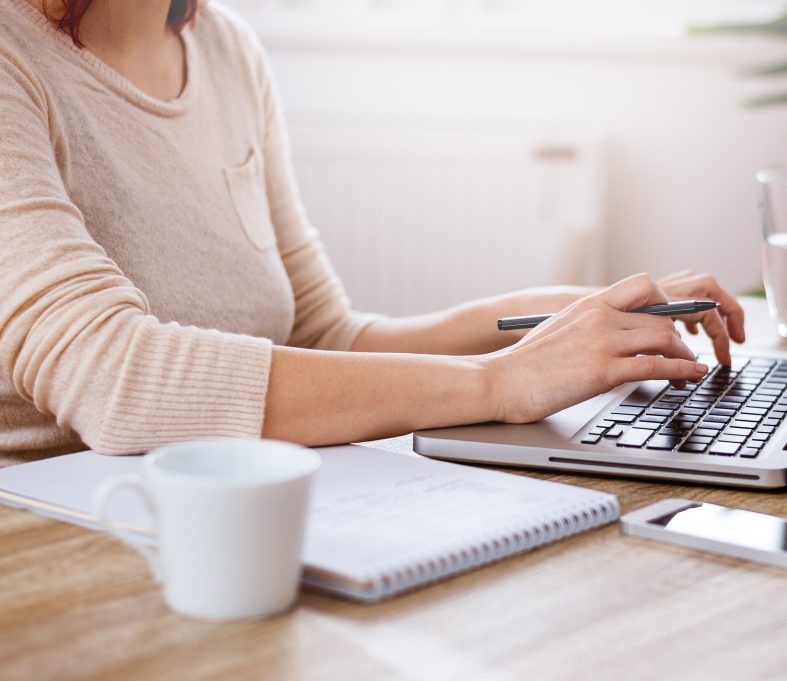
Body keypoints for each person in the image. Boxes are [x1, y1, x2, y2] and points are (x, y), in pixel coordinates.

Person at [0, 0, 745, 460]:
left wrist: (591, 315)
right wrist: (501, 380)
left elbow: (325, 335)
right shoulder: (14, 58)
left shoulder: (227, 51)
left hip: (226, 513)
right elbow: (114, 376)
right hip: (64, 552)